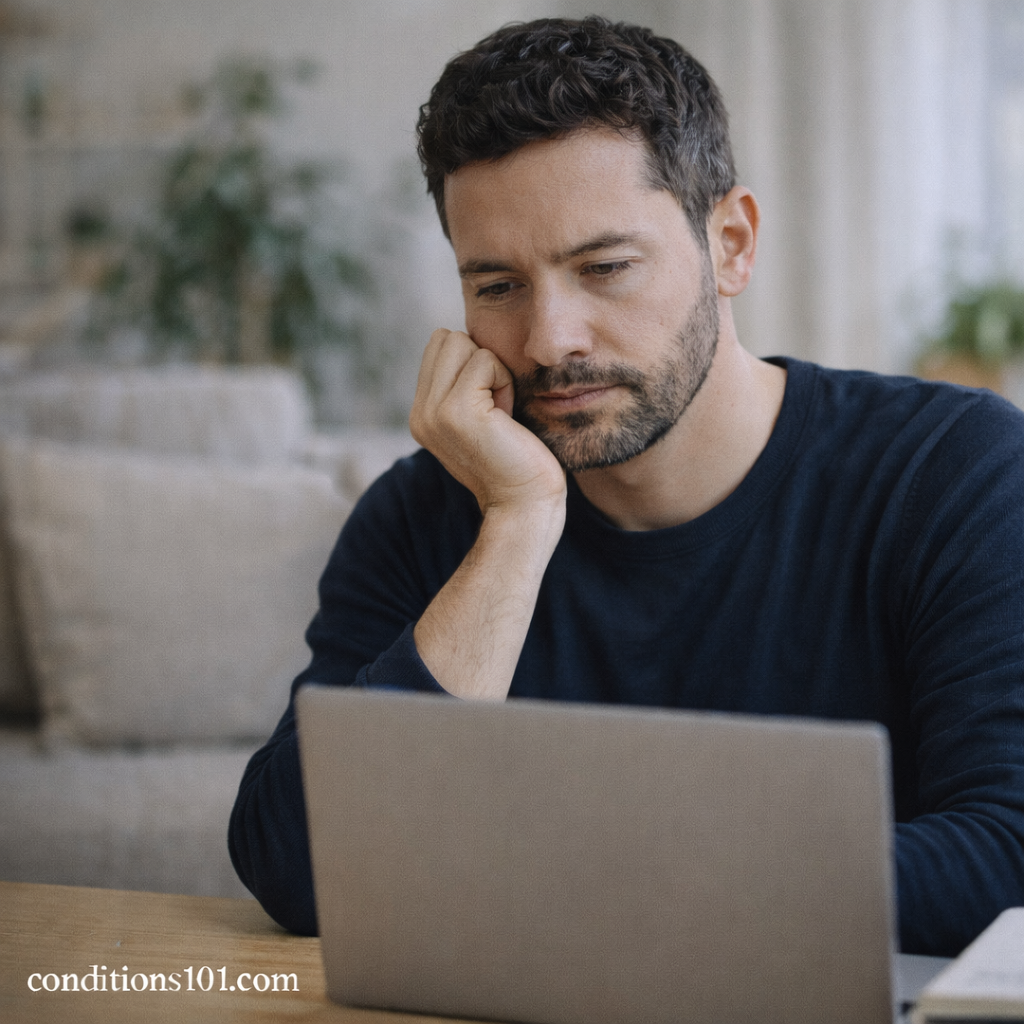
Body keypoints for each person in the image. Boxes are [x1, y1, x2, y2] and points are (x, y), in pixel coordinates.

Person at [229, 16, 1024, 957]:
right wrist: (517, 526)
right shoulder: (425, 512)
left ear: (730, 244)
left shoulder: (954, 471)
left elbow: (1004, 851)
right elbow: (296, 869)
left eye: (603, 268)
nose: (548, 339)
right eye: (496, 287)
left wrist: (591, 883)